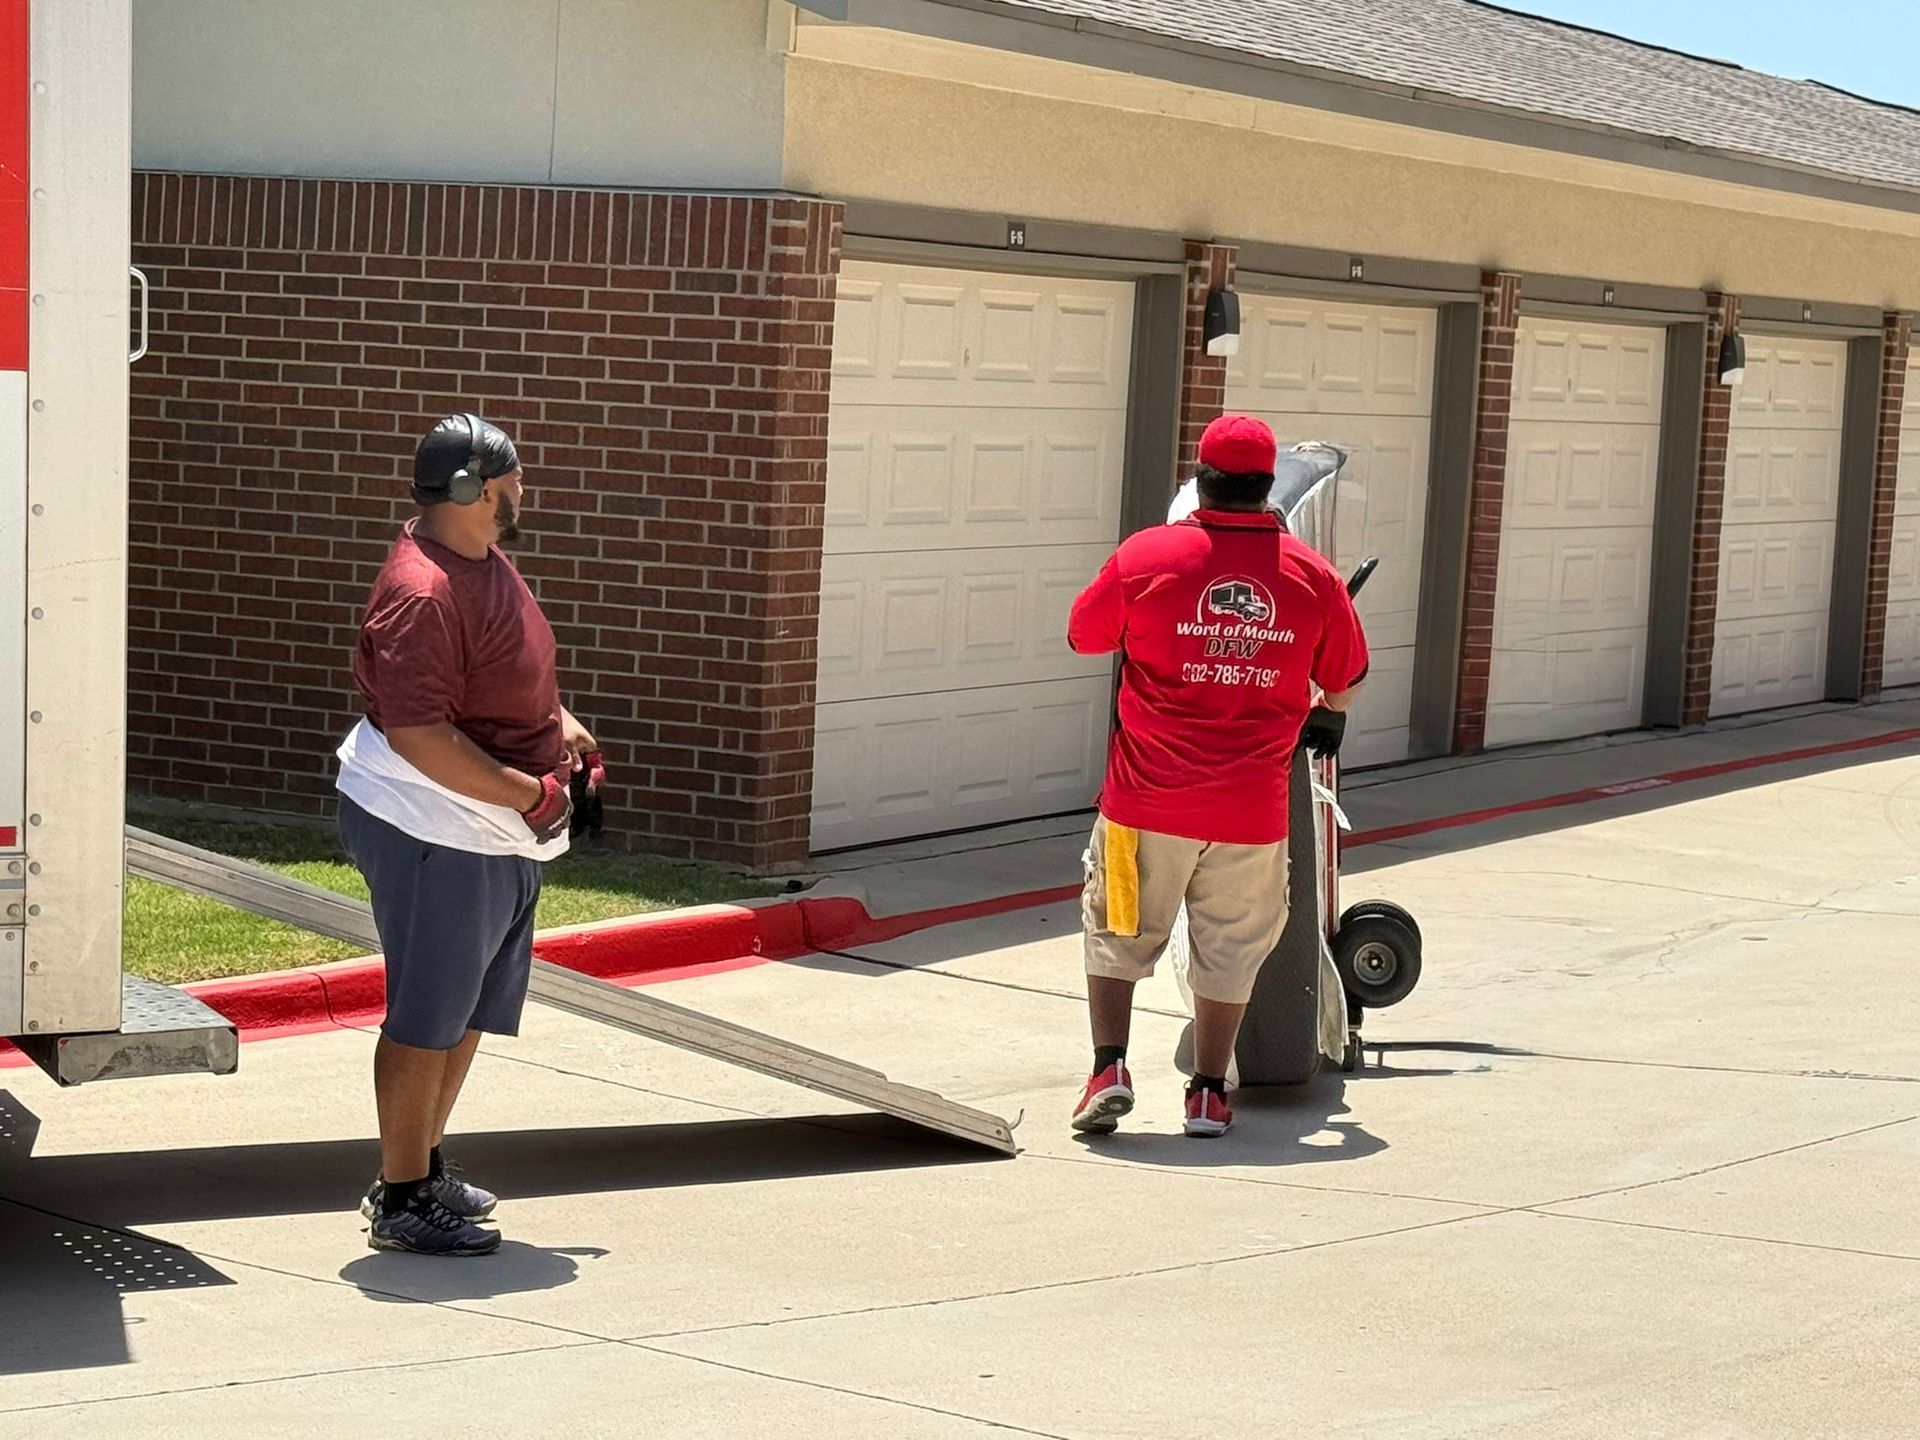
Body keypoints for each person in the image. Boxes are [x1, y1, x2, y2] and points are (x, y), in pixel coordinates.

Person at [335, 413, 603, 1255]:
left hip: (489, 829)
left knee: (471, 1008)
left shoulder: (479, 562)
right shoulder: (424, 592)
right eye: (514, 476)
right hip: (438, 826)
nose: (524, 489)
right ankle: (404, 1197)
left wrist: (558, 725)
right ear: (477, 489)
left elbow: (495, 676)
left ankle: (422, 1164)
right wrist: (529, 792)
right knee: (427, 1014)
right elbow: (419, 732)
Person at [1066, 414, 1368, 1138]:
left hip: (1144, 804)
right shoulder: (1310, 575)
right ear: (1269, 489)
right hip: (1251, 813)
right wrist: (1326, 711)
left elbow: (1085, 634)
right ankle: (1207, 1092)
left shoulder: (1148, 557)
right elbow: (1348, 677)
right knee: (1231, 950)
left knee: (1116, 928)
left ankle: (1108, 1070)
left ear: (1200, 482)